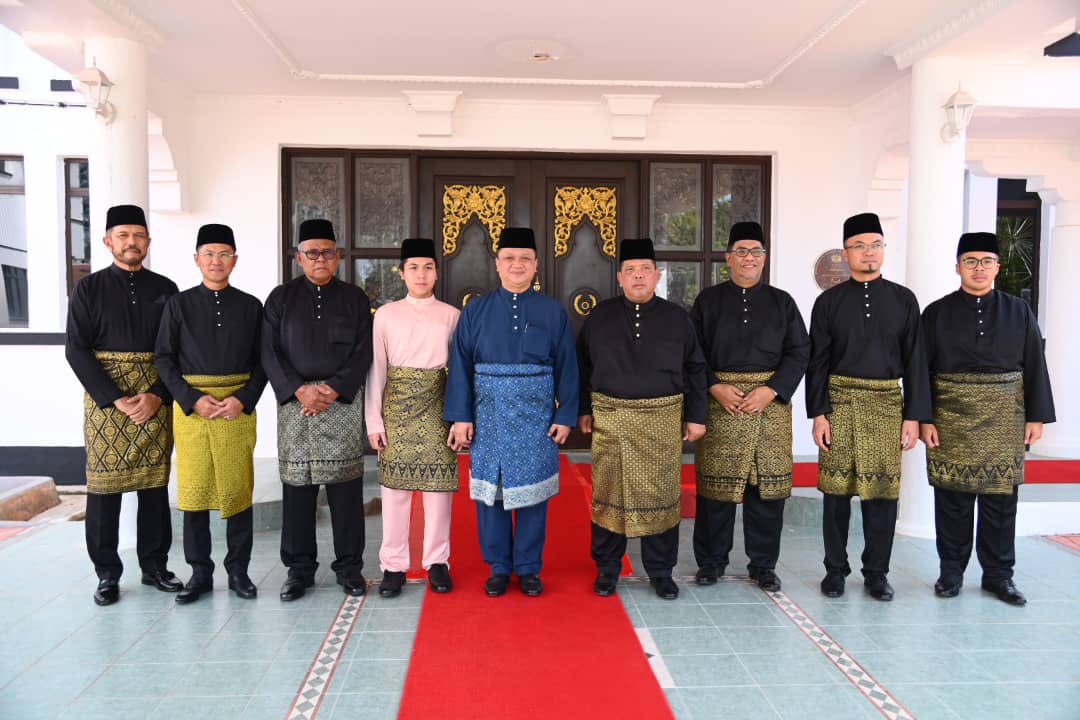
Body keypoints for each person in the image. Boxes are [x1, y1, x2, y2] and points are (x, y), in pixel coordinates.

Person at [921, 231, 1055, 606]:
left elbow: (1034, 362)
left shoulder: (1018, 310)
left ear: (997, 266)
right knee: (952, 499)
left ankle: (999, 576)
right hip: (950, 418)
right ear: (957, 267)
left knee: (1001, 501)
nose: (978, 268)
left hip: (1005, 417)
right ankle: (951, 572)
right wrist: (924, 418)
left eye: (986, 261)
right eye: (970, 261)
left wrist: (1036, 416)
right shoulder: (936, 313)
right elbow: (920, 368)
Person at [444, 227, 579, 597]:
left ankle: (529, 568)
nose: (516, 265)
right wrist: (461, 416)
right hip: (488, 415)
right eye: (509, 258)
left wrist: (565, 415)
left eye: (524, 259)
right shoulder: (476, 310)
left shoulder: (552, 311)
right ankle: (499, 568)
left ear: (536, 265)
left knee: (533, 494)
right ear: (497, 264)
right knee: (492, 495)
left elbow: (568, 365)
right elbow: (460, 365)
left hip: (537, 419)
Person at [806, 212, 931, 601]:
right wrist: (819, 414)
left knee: (882, 495)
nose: (869, 252)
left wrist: (913, 416)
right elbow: (817, 362)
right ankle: (835, 570)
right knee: (836, 495)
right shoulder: (828, 302)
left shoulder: (903, 300)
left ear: (883, 250)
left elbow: (916, 360)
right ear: (846, 253)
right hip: (839, 403)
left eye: (876, 245)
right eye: (860, 246)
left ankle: (877, 573)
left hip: (886, 405)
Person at [65, 204, 182, 606]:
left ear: (148, 241)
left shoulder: (166, 289)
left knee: (154, 487)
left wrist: (157, 394)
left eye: (138, 235)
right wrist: (115, 398)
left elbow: (175, 350)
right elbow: (76, 349)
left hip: (154, 398)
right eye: (123, 235)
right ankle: (107, 574)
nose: (132, 242)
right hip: (106, 404)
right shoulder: (88, 288)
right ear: (107, 241)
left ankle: (155, 567)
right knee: (103, 490)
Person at [578, 238, 707, 600]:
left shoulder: (678, 318)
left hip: (661, 422)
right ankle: (607, 569)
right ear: (619, 277)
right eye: (631, 270)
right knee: (608, 493)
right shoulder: (599, 317)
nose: (638, 276)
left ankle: (661, 571)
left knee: (661, 495)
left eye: (645, 270)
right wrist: (584, 408)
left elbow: (696, 369)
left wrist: (696, 416)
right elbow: (582, 366)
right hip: (611, 420)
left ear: (657, 275)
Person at [690, 221, 809, 592]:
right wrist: (714, 386)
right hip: (721, 405)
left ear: (764, 258)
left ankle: (763, 565)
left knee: (766, 491)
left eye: (756, 252)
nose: (749, 258)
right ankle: (711, 563)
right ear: (728, 258)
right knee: (715, 491)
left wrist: (771, 390)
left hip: (768, 407)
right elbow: (692, 353)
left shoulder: (782, 302)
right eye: (741, 251)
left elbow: (800, 351)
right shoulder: (708, 301)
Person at [155, 223, 267, 603]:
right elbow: (164, 359)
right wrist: (191, 399)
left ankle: (239, 571)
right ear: (197, 259)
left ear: (234, 260)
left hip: (236, 409)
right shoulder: (178, 305)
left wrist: (243, 399)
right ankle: (200, 573)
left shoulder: (251, 306)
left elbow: (264, 361)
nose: (216, 261)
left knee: (238, 489)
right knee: (195, 492)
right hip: (193, 412)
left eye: (223, 254)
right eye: (209, 254)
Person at [263, 218, 373, 601]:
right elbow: (269, 351)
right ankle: (299, 570)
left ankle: (349, 568)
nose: (320, 259)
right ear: (299, 257)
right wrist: (298, 390)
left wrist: (334, 388)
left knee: (345, 491)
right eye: (312, 253)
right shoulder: (281, 298)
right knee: (298, 490)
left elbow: (364, 351)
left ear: (338, 256)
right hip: (296, 406)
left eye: (327, 252)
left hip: (340, 403)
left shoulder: (355, 299)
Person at [366, 238, 460, 598]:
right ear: (402, 273)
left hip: (437, 406)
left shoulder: (451, 315)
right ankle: (393, 565)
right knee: (394, 491)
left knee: (439, 492)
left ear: (437, 273)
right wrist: (374, 421)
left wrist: (459, 418)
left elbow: (459, 372)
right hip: (396, 409)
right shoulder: (386, 314)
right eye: (414, 268)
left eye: (428, 267)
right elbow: (377, 369)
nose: (421, 275)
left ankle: (437, 562)